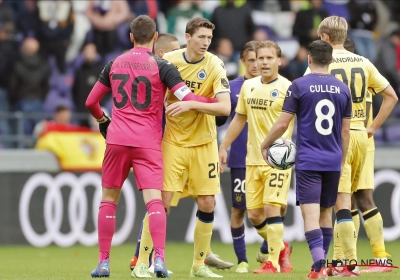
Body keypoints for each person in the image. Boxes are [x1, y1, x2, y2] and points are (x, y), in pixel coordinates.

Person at [85, 15, 203, 278]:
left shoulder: (114, 64)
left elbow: (91, 102)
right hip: (147, 143)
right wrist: (216, 101)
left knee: (109, 200)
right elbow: (188, 98)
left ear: (130, 37)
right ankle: (158, 260)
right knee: (155, 203)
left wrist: (103, 120)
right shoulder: (162, 66)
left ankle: (103, 263)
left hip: (116, 139)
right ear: (154, 37)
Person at [134, 17, 231, 278]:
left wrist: (190, 103)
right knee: (161, 202)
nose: (206, 43)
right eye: (201, 37)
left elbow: (225, 107)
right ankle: (143, 262)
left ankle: (199, 265)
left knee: (208, 202)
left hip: (205, 143)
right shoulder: (169, 62)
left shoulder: (215, 65)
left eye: (209, 38)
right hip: (174, 142)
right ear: (188, 37)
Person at [314, 16, 398, 277]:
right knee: (360, 199)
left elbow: (307, 95)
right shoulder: (364, 62)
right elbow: (392, 96)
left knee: (340, 202)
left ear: (325, 37)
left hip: (335, 138)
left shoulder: (321, 62)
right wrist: (372, 127)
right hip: (363, 135)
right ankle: (380, 258)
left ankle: (342, 263)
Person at [261, 39, 352, 279]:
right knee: (325, 214)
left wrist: (266, 143)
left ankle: (319, 267)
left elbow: (283, 123)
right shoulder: (343, 89)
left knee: (310, 215)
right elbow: (345, 132)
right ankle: (324, 265)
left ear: (309, 59)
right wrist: (341, 160)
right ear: (331, 60)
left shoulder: (299, 85)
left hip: (309, 160)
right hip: (333, 160)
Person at [219, 40, 293, 274]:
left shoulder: (288, 88)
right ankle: (281, 247)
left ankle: (272, 262)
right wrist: (223, 147)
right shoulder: (248, 87)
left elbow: (289, 122)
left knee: (272, 208)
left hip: (278, 159)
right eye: (260, 58)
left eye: (269, 58)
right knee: (254, 214)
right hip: (251, 159)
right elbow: (239, 119)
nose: (263, 62)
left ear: (279, 61)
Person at [216, 40, 270, 273]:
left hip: (270, 158)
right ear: (243, 62)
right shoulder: (232, 88)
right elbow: (224, 118)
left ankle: (271, 245)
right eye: (251, 60)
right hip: (241, 157)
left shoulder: (277, 86)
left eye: (259, 59)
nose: (256, 64)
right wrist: (223, 147)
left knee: (273, 207)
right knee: (240, 209)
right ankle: (243, 261)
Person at [344, 35, 392, 273]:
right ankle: (367, 258)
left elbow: (392, 96)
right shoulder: (364, 72)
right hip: (362, 140)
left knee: (356, 199)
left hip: (352, 140)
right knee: (355, 199)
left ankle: (373, 258)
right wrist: (372, 128)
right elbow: (389, 95)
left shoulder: (340, 70)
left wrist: (372, 127)